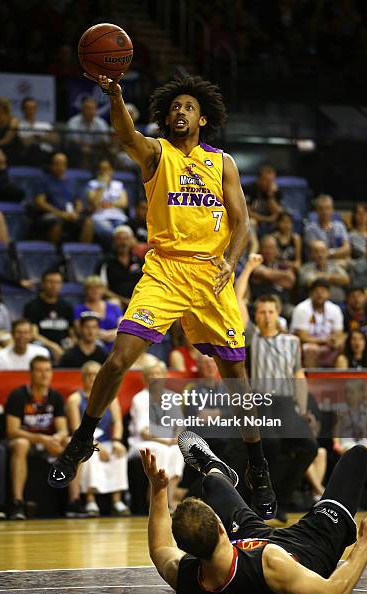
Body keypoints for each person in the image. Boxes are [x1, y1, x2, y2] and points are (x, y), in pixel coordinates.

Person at [49, 74, 277, 520]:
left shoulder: (223, 162)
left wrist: (231, 260)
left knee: (238, 382)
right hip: (166, 270)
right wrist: (115, 96)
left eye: (188, 107)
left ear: (202, 117)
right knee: (118, 359)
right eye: (174, 107)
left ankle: (258, 467)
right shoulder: (156, 153)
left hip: (211, 276)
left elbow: (242, 222)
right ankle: (83, 438)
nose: (180, 112)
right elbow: (124, 134)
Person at [140, 432, 367, 594]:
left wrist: (159, 490)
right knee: (357, 457)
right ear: (221, 528)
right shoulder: (271, 563)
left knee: (213, 484)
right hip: (308, 544)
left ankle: (215, 469)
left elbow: (160, 549)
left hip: (247, 541)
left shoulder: (186, 579)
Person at [235, 253, 317, 521]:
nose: (266, 316)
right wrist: (248, 267)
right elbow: (237, 299)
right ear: (256, 316)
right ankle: (260, 498)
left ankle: (279, 497)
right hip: (261, 401)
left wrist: (302, 409)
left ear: (278, 313)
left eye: (270, 311)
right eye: (261, 311)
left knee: (308, 446)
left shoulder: (292, 341)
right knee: (270, 444)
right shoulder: (253, 336)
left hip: (285, 402)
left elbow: (299, 375)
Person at [5, 356, 69, 519]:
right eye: (39, 371)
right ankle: (17, 502)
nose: (44, 375)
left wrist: (56, 438)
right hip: (27, 441)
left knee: (70, 443)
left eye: (47, 370)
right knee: (21, 444)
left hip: (48, 442)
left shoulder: (55, 396)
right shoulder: (19, 395)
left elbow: (63, 429)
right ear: (31, 374)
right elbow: (12, 431)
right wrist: (42, 439)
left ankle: (74, 502)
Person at [66, 361, 130, 517]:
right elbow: (76, 429)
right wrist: (96, 446)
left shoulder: (110, 398)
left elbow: (118, 422)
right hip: (85, 440)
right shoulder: (74, 400)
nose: (91, 378)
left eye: (95, 375)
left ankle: (117, 500)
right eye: (87, 375)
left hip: (108, 440)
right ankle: (90, 500)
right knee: (89, 455)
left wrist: (116, 441)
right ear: (82, 378)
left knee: (119, 452)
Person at [129, 361, 185, 511]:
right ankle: (153, 497)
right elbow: (143, 431)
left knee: (177, 451)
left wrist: (176, 437)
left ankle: (169, 498)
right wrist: (165, 439)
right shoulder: (139, 399)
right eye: (150, 374)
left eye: (158, 373)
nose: (154, 377)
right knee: (161, 450)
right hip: (143, 441)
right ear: (145, 378)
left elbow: (179, 425)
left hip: (168, 441)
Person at [33, 152, 94, 244]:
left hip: (70, 214)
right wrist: (60, 214)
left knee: (88, 222)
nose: (59, 167)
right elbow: (40, 203)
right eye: (56, 164)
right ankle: (54, 253)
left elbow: (79, 202)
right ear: (51, 165)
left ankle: (83, 253)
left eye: (62, 164)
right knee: (56, 222)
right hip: (52, 214)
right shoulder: (43, 180)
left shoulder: (73, 181)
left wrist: (75, 213)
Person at [291, 278, 345, 367]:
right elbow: (302, 337)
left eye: (323, 291)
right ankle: (311, 380)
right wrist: (325, 341)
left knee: (343, 347)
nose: (320, 294)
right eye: (317, 291)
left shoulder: (335, 309)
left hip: (328, 345)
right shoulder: (301, 309)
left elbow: (338, 333)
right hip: (306, 345)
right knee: (312, 349)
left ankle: (339, 380)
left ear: (328, 294)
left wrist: (335, 341)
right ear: (311, 293)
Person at [23, 270, 74, 363]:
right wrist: (53, 346)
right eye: (50, 282)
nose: (54, 286)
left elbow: (72, 332)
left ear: (61, 285)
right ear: (42, 284)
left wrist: (70, 343)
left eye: (57, 282)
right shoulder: (32, 306)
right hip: (42, 344)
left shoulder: (67, 306)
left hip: (63, 345)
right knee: (43, 351)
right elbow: (34, 335)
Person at [97, 225, 144, 310]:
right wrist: (124, 301)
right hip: (116, 301)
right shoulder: (106, 262)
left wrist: (136, 300)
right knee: (114, 303)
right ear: (114, 241)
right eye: (119, 239)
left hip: (138, 300)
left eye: (126, 239)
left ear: (131, 241)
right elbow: (102, 289)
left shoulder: (139, 261)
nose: (123, 243)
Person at [249, 235, 295, 319]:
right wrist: (284, 275)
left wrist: (271, 276)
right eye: (266, 248)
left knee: (294, 312)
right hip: (261, 304)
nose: (268, 251)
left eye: (271, 248)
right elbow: (263, 273)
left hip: (283, 305)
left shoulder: (281, 265)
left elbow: (290, 281)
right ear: (260, 249)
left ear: (276, 250)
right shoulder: (255, 264)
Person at [332, 379, 367, 459]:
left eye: (351, 392)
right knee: (355, 452)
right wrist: (337, 445)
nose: (348, 395)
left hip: (364, 441)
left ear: (361, 394)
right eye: (346, 392)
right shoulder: (342, 413)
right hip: (347, 443)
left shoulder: (366, 413)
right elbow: (336, 432)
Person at [86, 159, 129, 248]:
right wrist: (102, 186)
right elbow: (95, 204)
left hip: (119, 217)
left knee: (125, 233)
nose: (105, 172)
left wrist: (108, 204)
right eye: (102, 169)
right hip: (100, 217)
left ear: (112, 171)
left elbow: (124, 203)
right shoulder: (92, 184)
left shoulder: (119, 185)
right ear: (98, 171)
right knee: (108, 232)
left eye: (107, 169)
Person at [73, 276, 123, 353]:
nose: (95, 291)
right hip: (92, 346)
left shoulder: (113, 307)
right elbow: (79, 329)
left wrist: (110, 334)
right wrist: (100, 335)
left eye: (98, 288)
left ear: (103, 290)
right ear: (86, 290)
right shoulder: (79, 309)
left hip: (115, 343)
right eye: (91, 288)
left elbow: (122, 326)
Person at [304, 194, 350, 260]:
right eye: (321, 209)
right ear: (316, 211)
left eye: (327, 208)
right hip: (318, 265)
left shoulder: (340, 226)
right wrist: (339, 253)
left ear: (332, 210)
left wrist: (330, 252)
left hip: (340, 263)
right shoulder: (310, 229)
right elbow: (317, 254)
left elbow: (347, 249)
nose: (324, 212)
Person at [66, 97, 110, 166]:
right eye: (87, 108)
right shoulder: (73, 121)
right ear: (82, 109)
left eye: (92, 109)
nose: (90, 111)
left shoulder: (100, 122)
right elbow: (73, 140)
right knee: (76, 150)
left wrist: (90, 147)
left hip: (96, 150)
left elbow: (105, 141)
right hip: (78, 151)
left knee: (107, 151)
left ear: (95, 110)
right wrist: (84, 147)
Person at [17, 96, 57, 163]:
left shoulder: (45, 124)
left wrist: (36, 137)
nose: (31, 110)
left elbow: (55, 139)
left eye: (33, 108)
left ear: (37, 109)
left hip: (48, 154)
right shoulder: (18, 125)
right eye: (28, 108)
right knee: (35, 148)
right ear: (23, 109)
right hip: (29, 155)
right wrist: (43, 137)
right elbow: (24, 142)